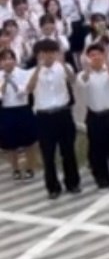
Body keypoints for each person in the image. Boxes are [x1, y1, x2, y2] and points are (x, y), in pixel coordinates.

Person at [26, 38, 80, 198]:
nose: (48, 56)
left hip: (63, 113)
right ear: (38, 55)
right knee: (48, 154)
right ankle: (53, 187)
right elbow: (28, 89)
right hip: (44, 117)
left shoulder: (63, 67)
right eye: (44, 53)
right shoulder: (32, 72)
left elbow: (73, 80)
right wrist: (38, 68)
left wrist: (63, 63)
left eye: (51, 52)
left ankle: (73, 183)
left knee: (68, 151)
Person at [77, 44, 109, 188]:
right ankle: (102, 179)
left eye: (98, 54)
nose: (96, 57)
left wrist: (107, 61)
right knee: (97, 150)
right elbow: (83, 81)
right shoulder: (83, 75)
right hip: (95, 116)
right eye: (92, 55)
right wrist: (88, 67)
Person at [0, 48, 38, 180]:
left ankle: (30, 167)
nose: (8, 62)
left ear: (15, 60)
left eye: (10, 58)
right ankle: (15, 168)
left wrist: (12, 81)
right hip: (6, 111)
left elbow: (23, 92)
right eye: (4, 59)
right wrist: (5, 81)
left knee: (29, 142)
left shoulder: (23, 73)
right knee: (10, 144)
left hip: (23, 109)